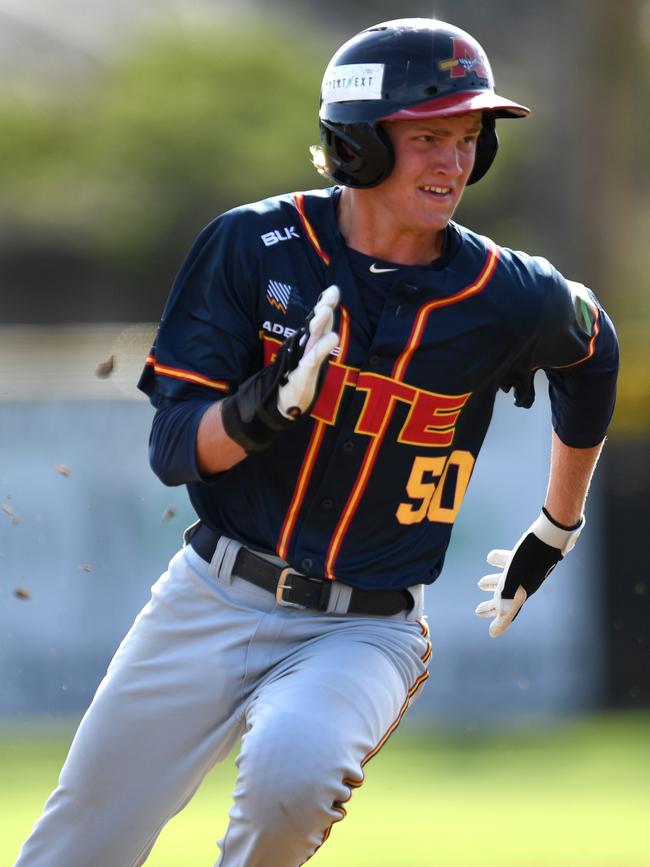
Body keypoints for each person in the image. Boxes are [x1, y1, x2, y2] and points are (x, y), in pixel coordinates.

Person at [15, 17, 618, 867]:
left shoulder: (508, 292)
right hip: (212, 596)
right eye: (428, 138)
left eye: (468, 141)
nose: (453, 163)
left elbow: (596, 353)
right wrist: (267, 407)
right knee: (77, 845)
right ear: (360, 147)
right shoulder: (252, 246)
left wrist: (559, 523)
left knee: (291, 780)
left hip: (363, 628)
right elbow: (176, 448)